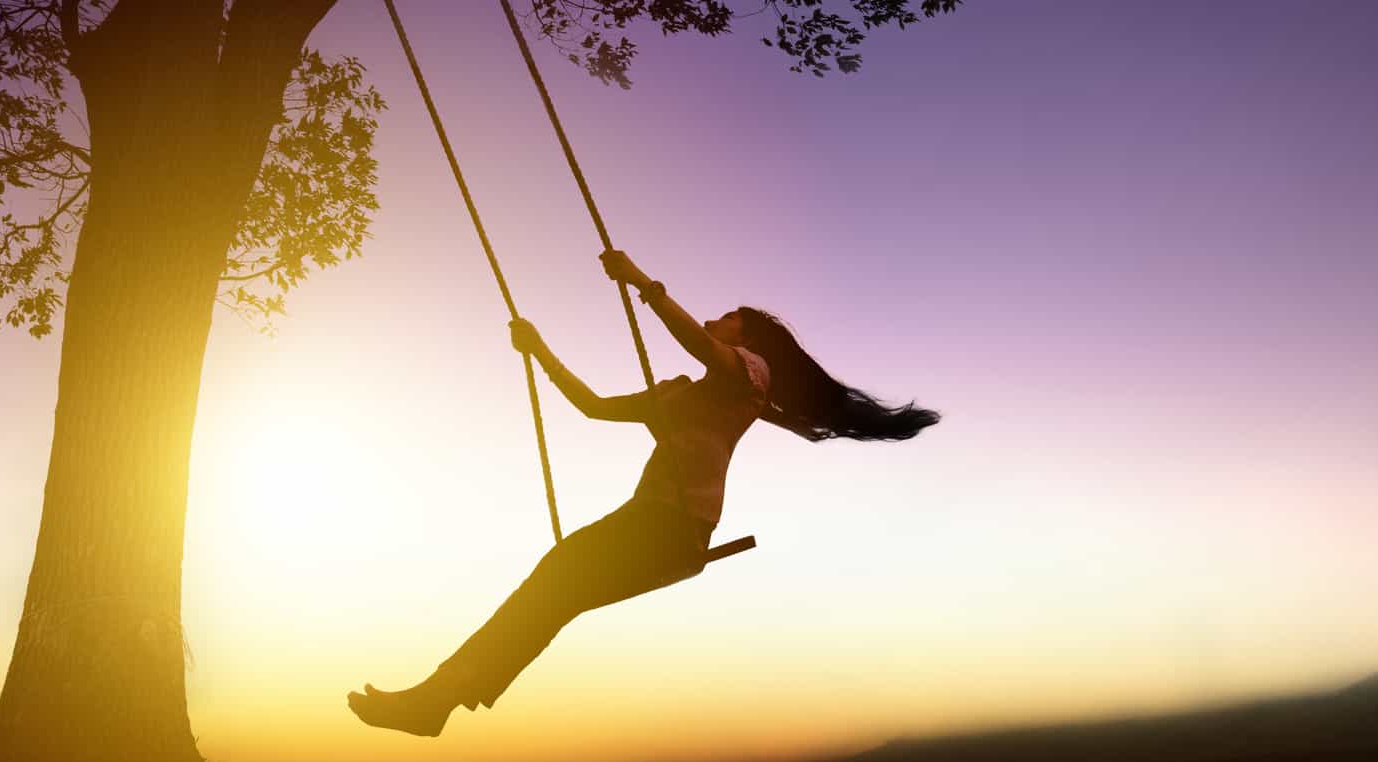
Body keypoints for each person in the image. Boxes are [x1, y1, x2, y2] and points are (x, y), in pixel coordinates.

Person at [347, 249, 940, 736]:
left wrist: (644, 285)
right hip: (647, 523)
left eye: (729, 316)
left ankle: (439, 697)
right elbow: (593, 407)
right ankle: (441, 698)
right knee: (553, 594)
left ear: (749, 335)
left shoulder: (750, 378)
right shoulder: (678, 394)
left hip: (678, 528)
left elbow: (702, 346)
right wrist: (540, 351)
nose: (718, 320)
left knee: (554, 580)